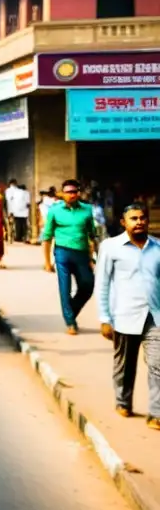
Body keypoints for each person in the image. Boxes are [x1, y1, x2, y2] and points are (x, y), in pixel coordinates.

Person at [96, 203, 160, 430]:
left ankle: (156, 413)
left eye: (143, 217)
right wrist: (104, 318)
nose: (139, 221)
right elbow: (102, 284)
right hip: (124, 314)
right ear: (124, 222)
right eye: (134, 218)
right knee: (125, 364)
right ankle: (123, 401)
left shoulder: (158, 247)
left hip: (154, 316)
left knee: (157, 364)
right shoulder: (111, 247)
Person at [43, 178, 97, 335]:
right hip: (62, 253)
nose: (71, 195)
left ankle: (71, 311)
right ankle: (70, 322)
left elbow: (92, 234)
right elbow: (47, 237)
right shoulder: (54, 210)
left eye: (74, 192)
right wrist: (47, 262)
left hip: (81, 253)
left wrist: (93, 256)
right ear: (62, 194)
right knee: (64, 288)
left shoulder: (87, 209)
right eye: (68, 192)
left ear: (78, 193)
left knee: (88, 285)